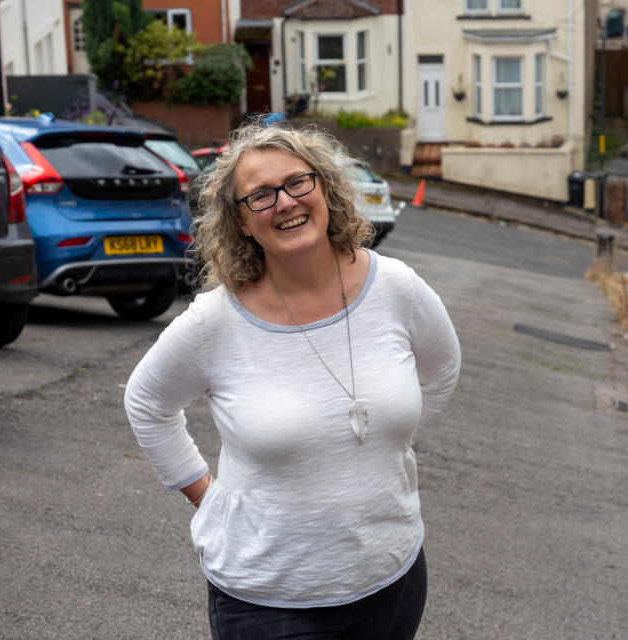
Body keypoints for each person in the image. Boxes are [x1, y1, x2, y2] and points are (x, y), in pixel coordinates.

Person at [124, 121, 461, 640]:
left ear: (325, 188)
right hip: (270, 601)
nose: (284, 202)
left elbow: (440, 372)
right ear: (239, 222)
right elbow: (147, 403)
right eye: (259, 195)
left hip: (391, 579)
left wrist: (384, 446)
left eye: (297, 182)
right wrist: (204, 493)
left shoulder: (396, 287)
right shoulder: (215, 322)